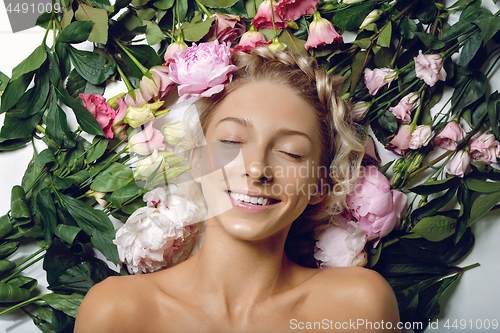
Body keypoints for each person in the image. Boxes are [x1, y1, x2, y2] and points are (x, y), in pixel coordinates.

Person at [74, 47, 401, 332]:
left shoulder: (358, 308)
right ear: (198, 160)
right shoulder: (116, 311)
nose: (257, 168)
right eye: (231, 142)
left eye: (290, 152)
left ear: (320, 184)